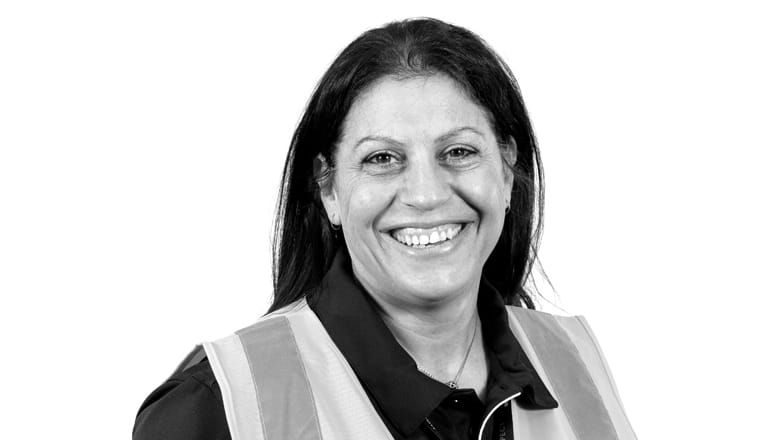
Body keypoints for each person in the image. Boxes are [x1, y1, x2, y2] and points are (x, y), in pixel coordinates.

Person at [133, 17, 636, 440]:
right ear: (328, 189)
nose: (426, 194)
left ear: (506, 172)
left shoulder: (575, 363)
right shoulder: (214, 407)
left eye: (459, 151)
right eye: (382, 158)